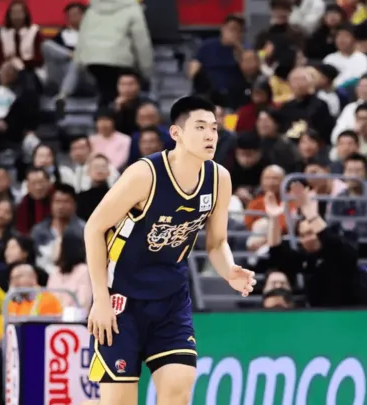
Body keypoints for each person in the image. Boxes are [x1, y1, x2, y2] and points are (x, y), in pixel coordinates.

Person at [83, 96, 256, 405]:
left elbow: (216, 243)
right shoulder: (145, 174)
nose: (209, 135)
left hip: (171, 298)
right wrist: (100, 299)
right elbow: (94, 228)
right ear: (176, 133)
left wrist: (229, 270)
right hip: (122, 298)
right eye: (200, 127)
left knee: (179, 387)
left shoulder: (219, 179)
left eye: (214, 128)